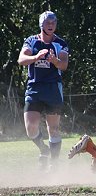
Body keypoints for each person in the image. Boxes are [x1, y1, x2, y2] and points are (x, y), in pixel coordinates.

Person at [17, 11, 69, 170]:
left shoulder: (60, 43)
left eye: (53, 22)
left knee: (53, 128)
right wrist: (36, 57)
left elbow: (64, 65)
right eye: (48, 23)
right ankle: (44, 149)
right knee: (30, 128)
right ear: (41, 24)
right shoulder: (31, 41)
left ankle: (54, 164)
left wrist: (55, 61)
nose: (51, 25)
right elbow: (21, 60)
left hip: (53, 88)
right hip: (35, 88)